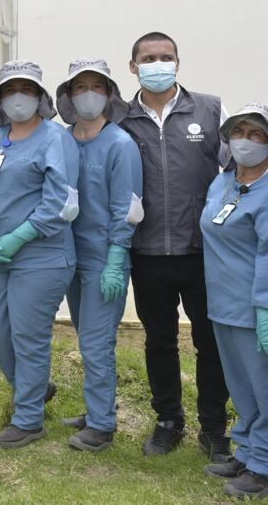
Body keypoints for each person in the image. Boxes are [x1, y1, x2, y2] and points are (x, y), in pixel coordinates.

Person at [119, 31, 232, 460]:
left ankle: (214, 426)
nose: (158, 63)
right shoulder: (121, 118)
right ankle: (168, 420)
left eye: (166, 57)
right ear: (133, 67)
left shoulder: (209, 108)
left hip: (202, 251)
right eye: (149, 57)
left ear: (178, 62)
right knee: (159, 340)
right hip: (147, 252)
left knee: (210, 340)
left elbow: (238, 162)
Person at [0, 60, 80, 449]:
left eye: (27, 91)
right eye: (11, 91)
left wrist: (20, 236)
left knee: (29, 337)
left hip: (41, 255)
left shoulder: (55, 138)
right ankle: (35, 387)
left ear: (41, 98)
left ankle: (28, 419)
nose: (19, 98)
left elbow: (61, 200)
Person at [54, 59, 144, 452]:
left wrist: (115, 257)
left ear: (109, 94)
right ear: (69, 96)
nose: (87, 94)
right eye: (79, 87)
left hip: (103, 258)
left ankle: (103, 426)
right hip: (66, 256)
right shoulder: (61, 139)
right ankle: (96, 409)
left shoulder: (120, 144)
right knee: (84, 334)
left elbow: (128, 206)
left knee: (96, 342)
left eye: (96, 86)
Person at [199, 103, 268, 498]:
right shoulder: (222, 182)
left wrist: (263, 307)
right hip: (222, 304)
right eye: (240, 132)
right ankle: (247, 450)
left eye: (257, 134)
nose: (247, 141)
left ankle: (263, 467)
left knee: (263, 387)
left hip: (254, 308)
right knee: (240, 386)